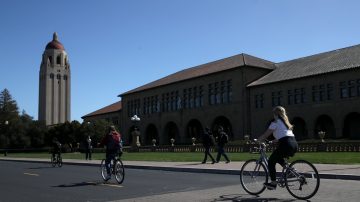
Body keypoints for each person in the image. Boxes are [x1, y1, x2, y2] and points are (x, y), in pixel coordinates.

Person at [258, 106, 298, 190]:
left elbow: (265, 135)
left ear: (275, 114)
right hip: (294, 144)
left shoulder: (275, 122)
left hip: (285, 145)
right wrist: (271, 142)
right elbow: (283, 136)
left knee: (271, 161)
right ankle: (290, 171)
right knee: (278, 157)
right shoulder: (286, 124)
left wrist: (258, 140)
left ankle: (273, 183)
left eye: (273, 114)